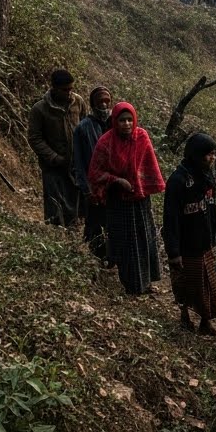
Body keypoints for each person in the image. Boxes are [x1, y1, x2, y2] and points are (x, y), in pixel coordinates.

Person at [87, 102, 167, 296]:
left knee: (144, 239)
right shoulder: (106, 142)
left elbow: (148, 165)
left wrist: (140, 185)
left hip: (139, 198)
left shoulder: (142, 137)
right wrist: (117, 180)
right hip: (118, 201)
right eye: (122, 120)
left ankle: (146, 282)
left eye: (130, 119)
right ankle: (131, 285)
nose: (126, 124)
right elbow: (95, 172)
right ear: (115, 121)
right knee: (125, 242)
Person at [161, 133, 216, 335]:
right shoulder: (178, 181)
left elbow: (212, 208)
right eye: (208, 154)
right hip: (186, 245)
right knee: (187, 284)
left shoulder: (207, 177)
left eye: (214, 154)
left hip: (205, 242)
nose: (212, 158)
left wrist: (214, 237)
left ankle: (206, 323)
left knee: (209, 285)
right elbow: (171, 219)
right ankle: (185, 318)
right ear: (195, 154)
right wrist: (174, 251)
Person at [27, 69, 89, 228]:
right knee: (55, 206)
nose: (69, 93)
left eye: (71, 89)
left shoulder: (78, 102)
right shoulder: (39, 109)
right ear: (53, 88)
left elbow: (85, 127)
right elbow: (35, 138)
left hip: (75, 165)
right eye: (65, 90)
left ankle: (73, 233)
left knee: (76, 205)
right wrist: (54, 157)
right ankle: (56, 235)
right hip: (52, 166)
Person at [72, 86, 113, 266]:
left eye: (107, 101)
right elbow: (79, 162)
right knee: (95, 224)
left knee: (114, 223)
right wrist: (86, 189)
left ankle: (113, 258)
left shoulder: (117, 122)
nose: (104, 105)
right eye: (100, 102)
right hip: (94, 186)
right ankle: (98, 258)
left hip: (114, 185)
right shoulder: (83, 128)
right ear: (92, 104)